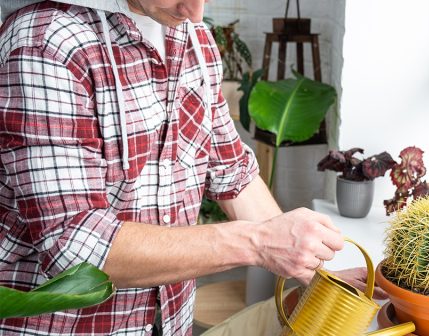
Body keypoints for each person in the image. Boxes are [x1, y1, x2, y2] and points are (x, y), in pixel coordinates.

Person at [0, 0, 385, 335]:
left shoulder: (194, 39)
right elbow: (74, 244)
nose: (195, 12)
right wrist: (257, 242)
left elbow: (233, 173)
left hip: (169, 321)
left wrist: (318, 276)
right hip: (63, 327)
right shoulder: (45, 42)